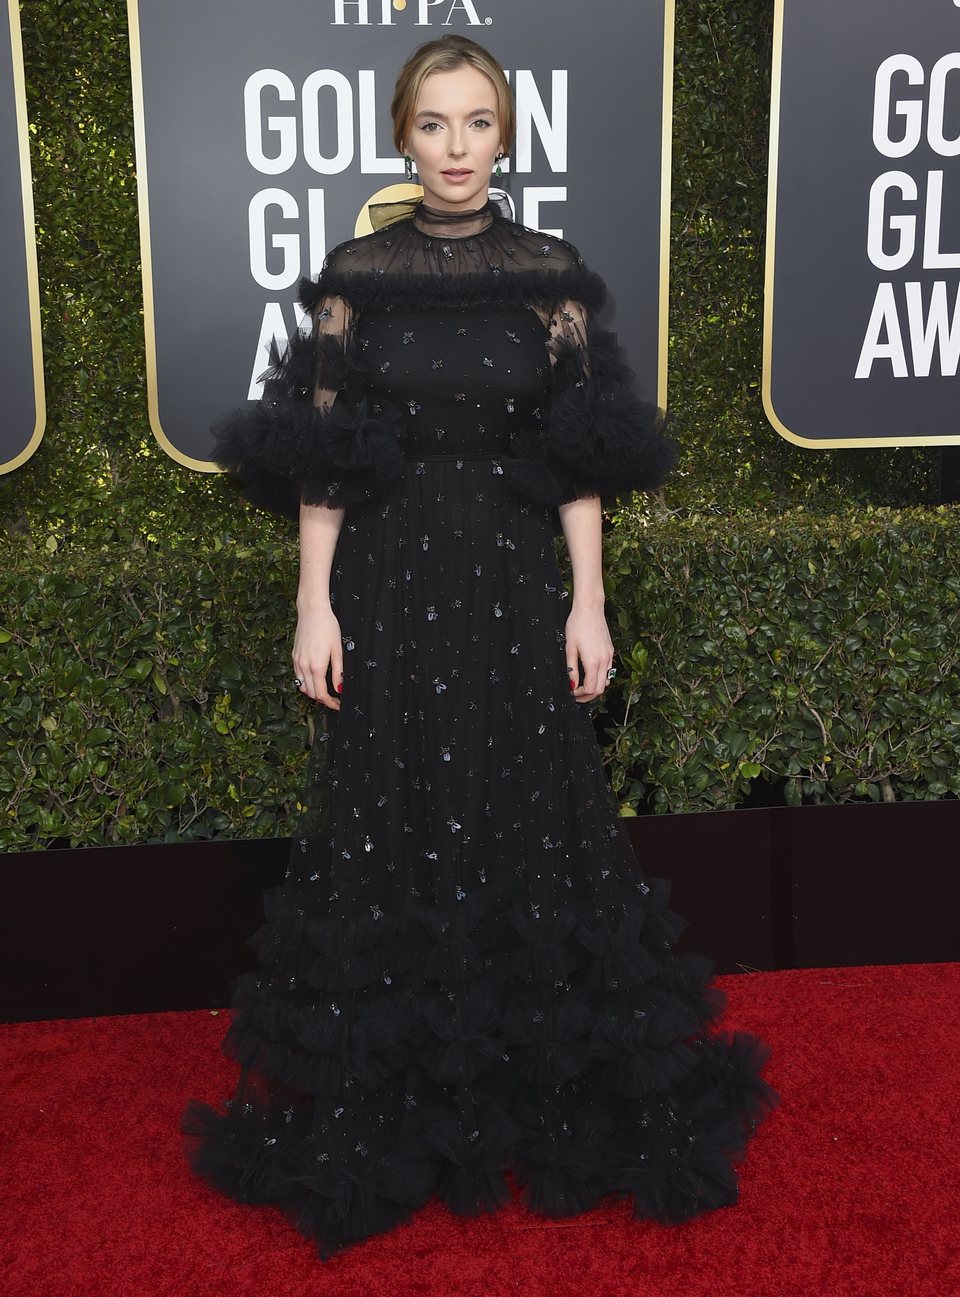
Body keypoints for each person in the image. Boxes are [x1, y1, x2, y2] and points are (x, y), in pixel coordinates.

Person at [181, 33, 779, 1259]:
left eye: (478, 125)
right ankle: (407, 1084)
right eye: (435, 125)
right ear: (403, 136)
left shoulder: (549, 275)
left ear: (507, 137)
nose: (456, 149)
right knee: (395, 814)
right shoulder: (358, 274)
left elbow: (580, 462)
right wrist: (313, 604)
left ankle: (530, 1074)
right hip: (391, 586)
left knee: (528, 813)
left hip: (511, 585)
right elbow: (324, 465)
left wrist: (589, 599)